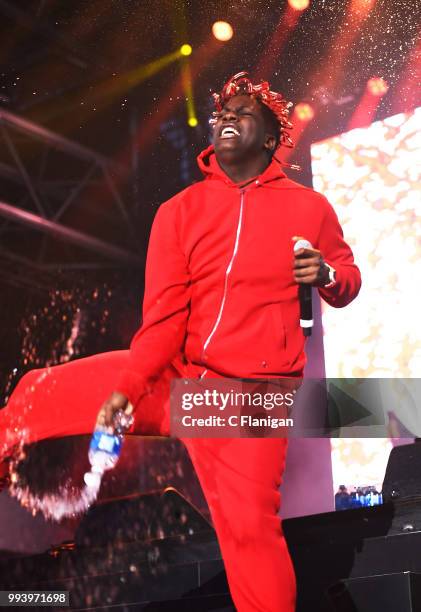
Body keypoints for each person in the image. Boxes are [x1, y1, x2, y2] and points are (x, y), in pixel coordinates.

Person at [0, 72, 361, 611]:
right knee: (46, 392)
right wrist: (126, 390)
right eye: (222, 113)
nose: (228, 119)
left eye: (244, 112)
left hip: (249, 399)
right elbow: (163, 320)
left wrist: (327, 274)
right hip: (184, 378)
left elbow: (348, 280)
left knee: (247, 534)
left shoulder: (310, 208)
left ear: (270, 138)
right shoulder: (178, 212)